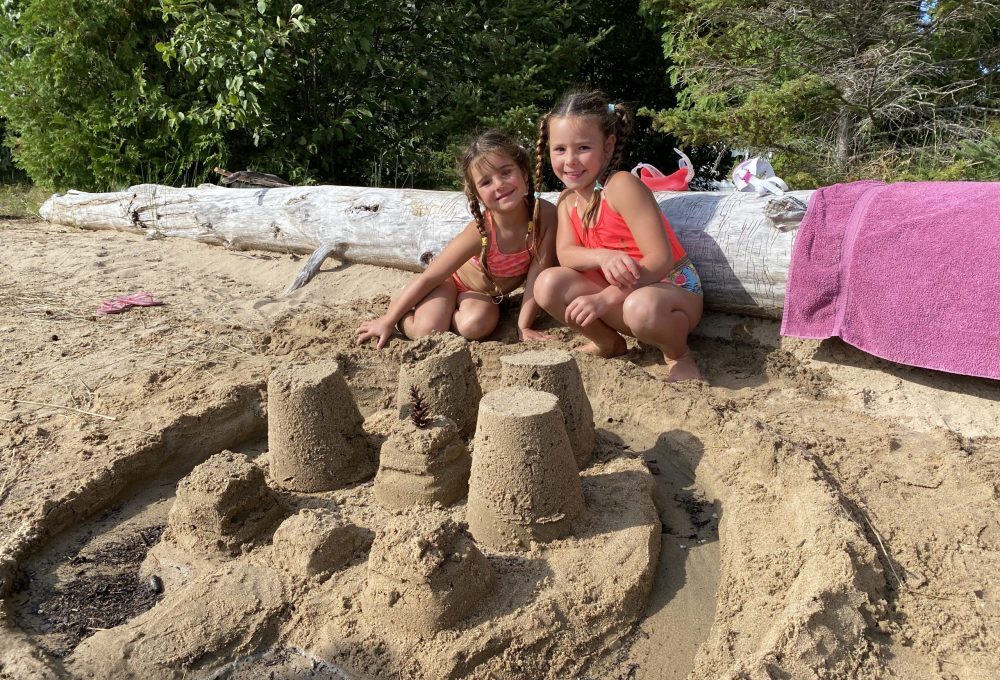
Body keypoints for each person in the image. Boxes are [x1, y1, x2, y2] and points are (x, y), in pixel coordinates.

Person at [531, 91, 704, 381]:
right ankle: (608, 342)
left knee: (642, 307)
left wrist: (603, 299)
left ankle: (678, 355)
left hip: (669, 291)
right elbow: (566, 253)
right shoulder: (567, 200)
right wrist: (603, 255)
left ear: (608, 146)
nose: (570, 160)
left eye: (583, 147)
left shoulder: (622, 186)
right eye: (560, 149)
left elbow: (660, 260)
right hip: (622, 296)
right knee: (547, 284)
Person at [356, 131, 557, 348]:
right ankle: (403, 309)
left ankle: (444, 311)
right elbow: (431, 277)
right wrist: (388, 320)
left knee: (476, 326)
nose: (499, 184)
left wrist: (523, 326)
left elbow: (539, 270)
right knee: (428, 332)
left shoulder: (544, 216)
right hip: (450, 281)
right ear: (478, 195)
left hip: (482, 294)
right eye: (486, 182)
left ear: (525, 173)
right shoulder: (483, 231)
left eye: (506, 172)